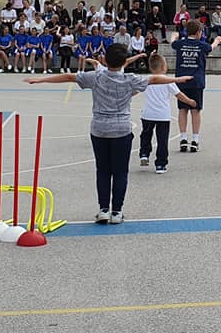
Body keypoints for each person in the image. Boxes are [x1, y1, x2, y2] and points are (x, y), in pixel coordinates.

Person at [25, 42, 190, 224]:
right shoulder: (130, 79)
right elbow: (155, 79)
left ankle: (103, 209)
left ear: (104, 59)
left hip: (99, 129)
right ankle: (117, 211)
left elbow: (69, 77)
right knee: (120, 172)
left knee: (102, 170)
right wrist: (177, 79)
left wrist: (40, 79)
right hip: (121, 130)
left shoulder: (96, 77)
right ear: (124, 62)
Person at [137, 54, 197, 174]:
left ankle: (144, 153)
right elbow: (179, 95)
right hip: (162, 116)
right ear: (164, 67)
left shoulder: (146, 79)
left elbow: (135, 90)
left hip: (148, 114)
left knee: (146, 135)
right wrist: (190, 101)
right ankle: (160, 164)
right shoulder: (168, 81)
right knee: (162, 140)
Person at [171, 21, 221, 154]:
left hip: (182, 80)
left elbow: (172, 43)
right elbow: (211, 48)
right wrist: (217, 40)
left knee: (182, 109)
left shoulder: (181, 44)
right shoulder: (201, 45)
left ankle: (183, 138)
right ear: (199, 32)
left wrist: (174, 35)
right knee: (196, 110)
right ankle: (195, 139)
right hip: (196, 81)